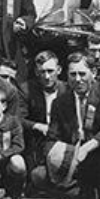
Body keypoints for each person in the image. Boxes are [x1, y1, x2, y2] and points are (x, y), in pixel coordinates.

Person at [46, 52, 100, 199]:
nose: (77, 79)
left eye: (82, 74)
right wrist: (58, 154)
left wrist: (91, 145)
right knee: (39, 175)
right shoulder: (60, 102)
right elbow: (52, 136)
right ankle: (81, 194)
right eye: (72, 74)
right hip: (76, 156)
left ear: (94, 73)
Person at [22, 50, 68, 182]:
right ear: (36, 72)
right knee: (38, 176)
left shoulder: (67, 89)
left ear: (59, 70)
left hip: (62, 140)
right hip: (37, 141)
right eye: (42, 72)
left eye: (50, 71)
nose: (47, 76)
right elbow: (17, 118)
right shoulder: (26, 89)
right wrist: (38, 126)